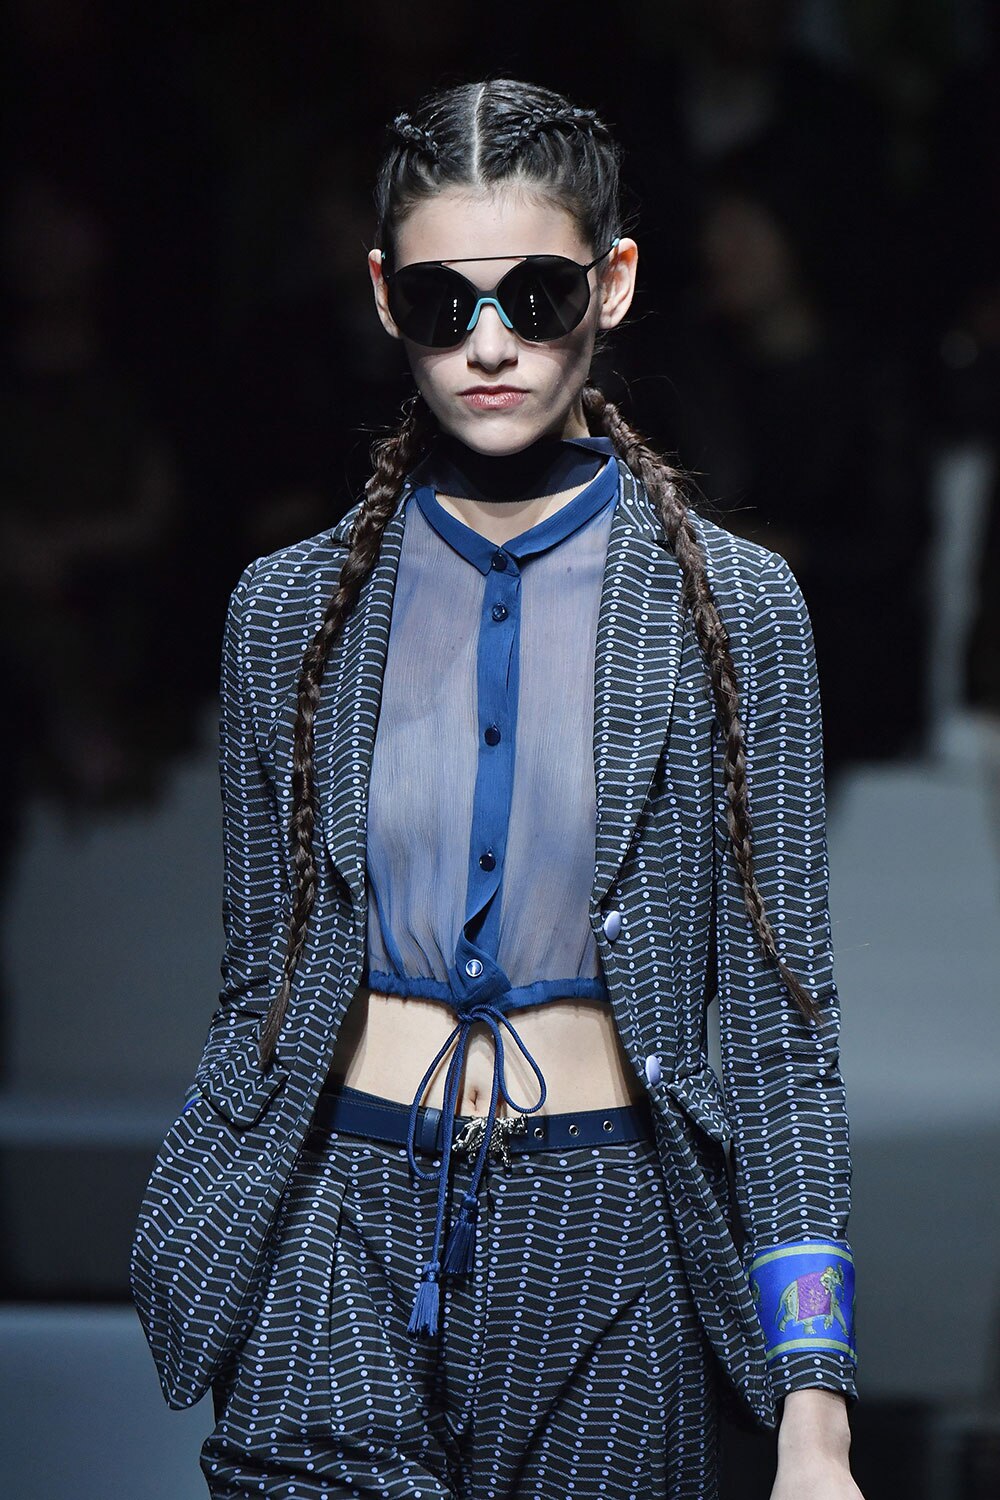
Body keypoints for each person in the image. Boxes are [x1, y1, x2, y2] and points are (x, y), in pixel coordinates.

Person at [131, 78, 864, 1500]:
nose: (486, 343)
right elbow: (261, 988)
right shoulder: (287, 614)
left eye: (534, 295)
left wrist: (814, 1406)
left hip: (609, 1243)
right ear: (381, 297)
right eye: (439, 301)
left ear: (616, 283)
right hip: (327, 1226)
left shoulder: (738, 611)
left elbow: (780, 1025)